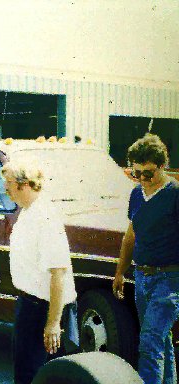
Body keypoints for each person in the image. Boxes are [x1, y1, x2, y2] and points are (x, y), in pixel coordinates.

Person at [2, 161, 79, 384]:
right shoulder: (28, 212)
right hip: (29, 305)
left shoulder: (45, 217)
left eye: (8, 183)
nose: (5, 188)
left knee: (35, 376)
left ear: (24, 184)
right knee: (27, 372)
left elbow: (58, 274)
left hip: (43, 308)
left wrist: (53, 323)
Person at [113, 133, 179, 384]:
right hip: (142, 277)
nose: (142, 179)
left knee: (150, 343)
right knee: (162, 341)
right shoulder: (136, 195)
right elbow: (131, 235)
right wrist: (120, 271)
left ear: (163, 166)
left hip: (170, 280)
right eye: (135, 173)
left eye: (148, 174)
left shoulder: (175, 195)